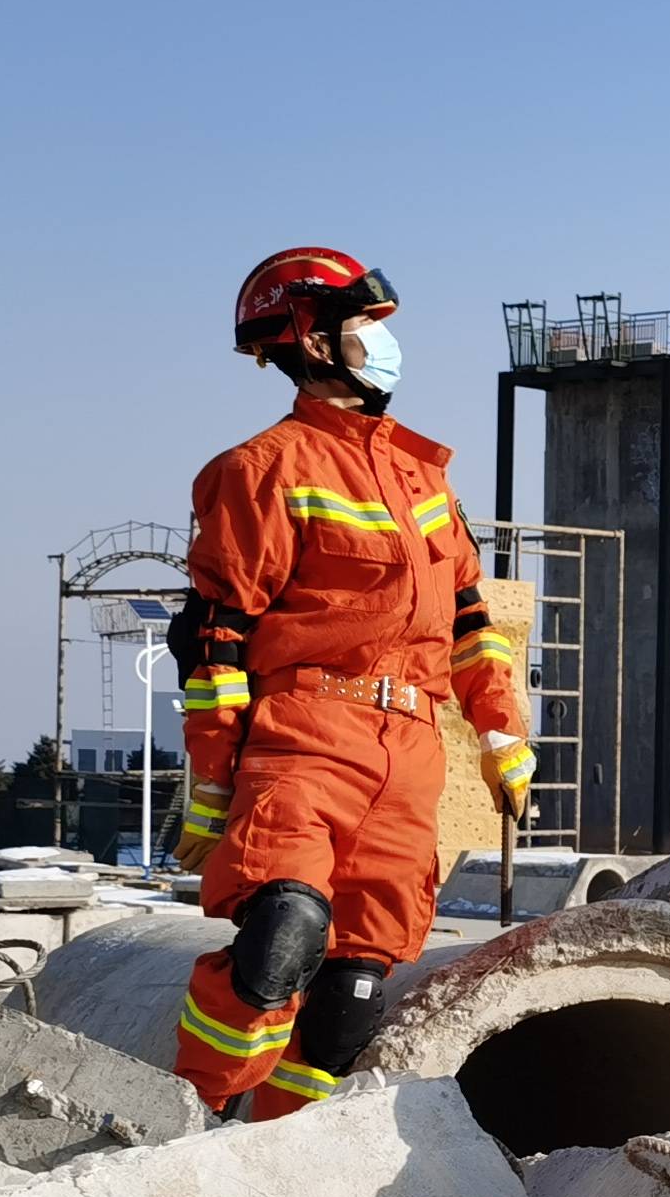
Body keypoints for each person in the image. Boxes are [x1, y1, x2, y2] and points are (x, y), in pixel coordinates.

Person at [165, 247, 536, 1118]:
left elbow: (471, 626)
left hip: (409, 757)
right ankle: (184, 1118)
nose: (384, 341)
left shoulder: (423, 478)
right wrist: (213, 787)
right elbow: (216, 643)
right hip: (308, 736)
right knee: (280, 940)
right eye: (366, 325)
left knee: (352, 999)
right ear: (316, 342)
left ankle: (281, 1159)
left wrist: (503, 736)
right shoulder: (263, 469)